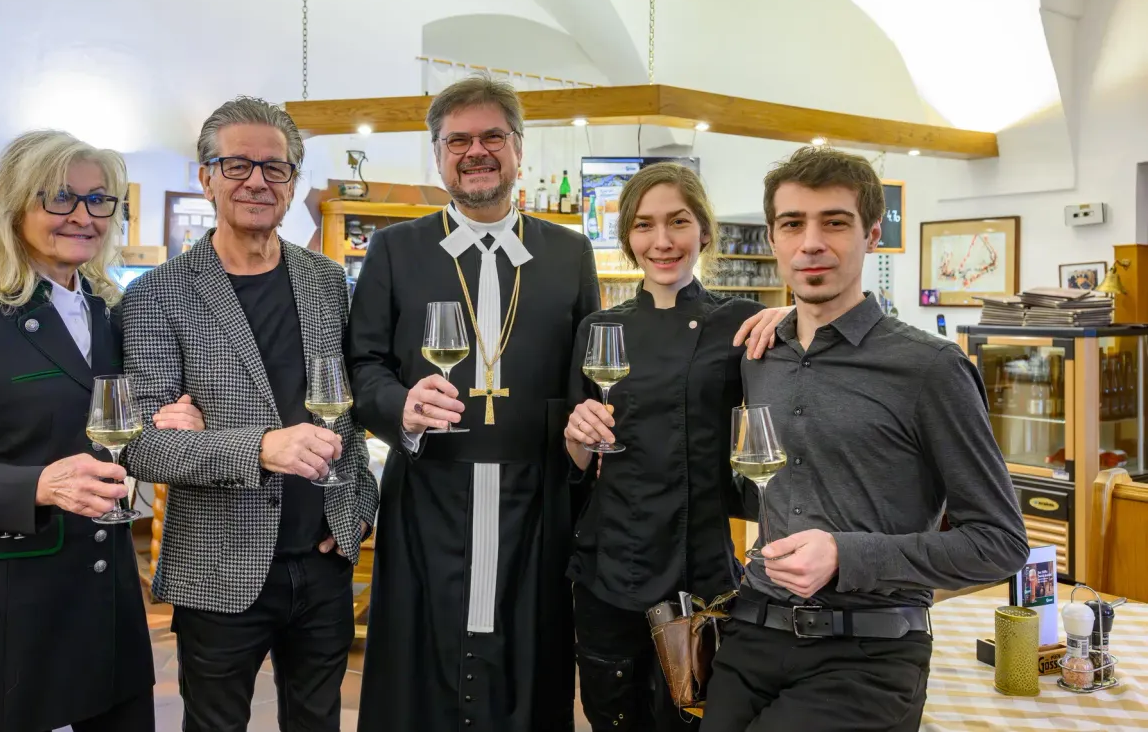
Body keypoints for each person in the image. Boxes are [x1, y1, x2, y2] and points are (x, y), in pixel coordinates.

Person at [698, 146, 1029, 732]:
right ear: (773, 238)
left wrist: (847, 554)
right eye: (793, 224)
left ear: (872, 233)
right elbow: (758, 489)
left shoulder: (931, 368)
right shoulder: (759, 353)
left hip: (869, 653)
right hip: (751, 632)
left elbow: (1000, 543)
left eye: (835, 222)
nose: (812, 242)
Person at [0, 130, 205, 732]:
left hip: (106, 606)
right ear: (13, 207)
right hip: (13, 614)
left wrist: (164, 422)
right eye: (60, 198)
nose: (82, 217)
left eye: (98, 201)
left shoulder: (109, 314)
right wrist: (39, 485)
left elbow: (113, 428)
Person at [345, 75, 600, 730]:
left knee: (528, 656)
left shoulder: (569, 253)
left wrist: (582, 444)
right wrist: (399, 405)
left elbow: (591, 376)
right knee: (420, 662)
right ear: (438, 155)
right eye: (457, 140)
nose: (475, 151)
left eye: (492, 137)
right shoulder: (396, 250)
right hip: (429, 490)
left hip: (535, 497)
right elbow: (363, 363)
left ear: (519, 151)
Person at [120, 96, 379, 732]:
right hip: (218, 561)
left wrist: (356, 511)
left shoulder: (327, 281)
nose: (257, 181)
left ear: (293, 181)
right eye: (236, 165)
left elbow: (356, 410)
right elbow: (142, 447)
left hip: (322, 556)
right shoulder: (157, 294)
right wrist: (260, 447)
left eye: (276, 167)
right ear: (204, 176)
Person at [564, 162, 788, 730]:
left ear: (704, 232)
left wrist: (798, 316)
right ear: (627, 239)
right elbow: (574, 466)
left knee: (692, 718)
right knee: (613, 716)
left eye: (678, 222)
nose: (661, 242)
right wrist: (575, 437)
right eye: (644, 226)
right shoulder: (598, 328)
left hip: (701, 569)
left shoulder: (741, 323)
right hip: (609, 566)